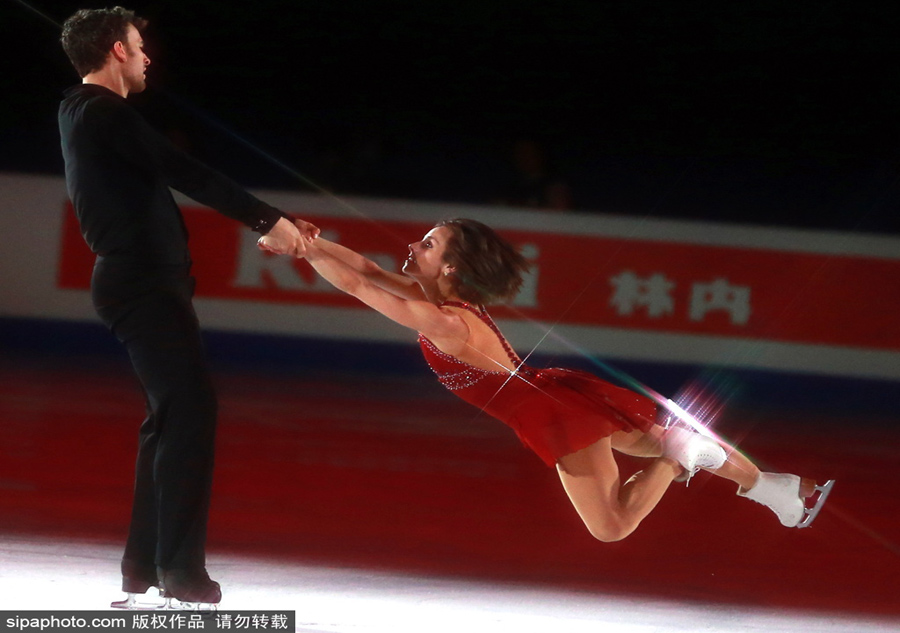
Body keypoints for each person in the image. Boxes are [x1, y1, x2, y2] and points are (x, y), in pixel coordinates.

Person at [261, 218, 834, 541]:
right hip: (552, 391)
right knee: (670, 433)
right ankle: (781, 493)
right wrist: (304, 241)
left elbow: (361, 287)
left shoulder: (443, 322)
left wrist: (300, 248)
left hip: (549, 412)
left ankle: (676, 458)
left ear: (452, 268)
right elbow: (364, 269)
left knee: (612, 524)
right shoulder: (439, 295)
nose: (413, 246)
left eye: (428, 245)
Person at [58, 7, 318, 607]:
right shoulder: (100, 110)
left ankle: (145, 568)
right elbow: (183, 170)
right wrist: (266, 219)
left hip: (146, 283)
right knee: (190, 413)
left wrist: (274, 222)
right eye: (138, 44)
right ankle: (178, 571)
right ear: (116, 51)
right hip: (141, 284)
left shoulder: (91, 113)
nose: (147, 55)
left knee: (172, 418)